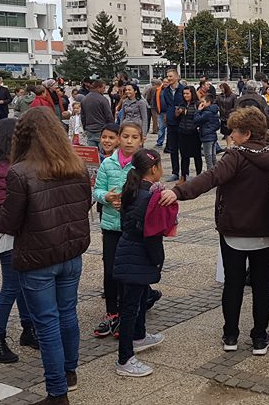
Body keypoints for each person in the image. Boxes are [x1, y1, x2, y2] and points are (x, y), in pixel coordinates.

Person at [161, 107, 269, 354]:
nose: (230, 135)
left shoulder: (235, 156)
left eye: (234, 131)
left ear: (246, 134)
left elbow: (210, 178)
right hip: (266, 232)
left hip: (234, 231)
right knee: (262, 285)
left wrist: (178, 192)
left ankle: (230, 336)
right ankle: (259, 337)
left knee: (233, 285)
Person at [0, 107, 92, 404]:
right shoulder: (76, 164)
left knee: (47, 323)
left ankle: (57, 392)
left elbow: (8, 223)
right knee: (67, 314)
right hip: (70, 253)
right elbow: (85, 205)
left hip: (37, 258)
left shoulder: (20, 171)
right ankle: (70, 372)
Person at [0, 119, 38, 364]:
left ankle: (28, 329)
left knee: (22, 283)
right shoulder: (3, 169)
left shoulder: (7, 164)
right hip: (9, 232)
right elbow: (5, 207)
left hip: (16, 230)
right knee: (11, 287)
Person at [114, 149, 166, 377]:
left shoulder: (134, 190)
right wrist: (158, 260)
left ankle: (140, 335)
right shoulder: (147, 197)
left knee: (141, 296)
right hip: (137, 254)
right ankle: (124, 359)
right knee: (130, 308)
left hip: (130, 249)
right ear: (153, 170)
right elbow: (150, 234)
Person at [92, 122, 145, 339]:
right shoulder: (108, 163)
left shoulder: (142, 164)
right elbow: (97, 190)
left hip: (133, 228)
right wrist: (107, 197)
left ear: (141, 140)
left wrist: (128, 203)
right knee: (111, 270)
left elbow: (149, 190)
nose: (129, 141)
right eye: (125, 137)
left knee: (129, 272)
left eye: (134, 137)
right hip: (111, 226)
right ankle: (112, 312)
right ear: (119, 138)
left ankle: (127, 312)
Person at [161, 70, 186, 181]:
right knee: (173, 149)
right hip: (171, 123)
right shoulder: (165, 91)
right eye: (167, 76)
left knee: (184, 149)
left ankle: (184, 173)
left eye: (171, 76)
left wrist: (182, 110)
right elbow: (165, 106)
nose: (169, 78)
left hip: (182, 122)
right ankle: (175, 172)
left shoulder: (183, 90)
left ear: (177, 77)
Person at [175, 86, 203, 184]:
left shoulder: (197, 104)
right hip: (183, 132)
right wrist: (178, 113)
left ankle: (199, 176)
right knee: (184, 156)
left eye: (187, 93)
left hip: (194, 133)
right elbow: (176, 118)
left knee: (197, 156)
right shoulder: (181, 104)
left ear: (192, 94)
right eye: (184, 94)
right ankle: (183, 176)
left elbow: (200, 117)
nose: (185, 95)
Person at [81, 80, 114, 148]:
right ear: (98, 88)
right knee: (103, 151)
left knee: (93, 153)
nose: (104, 90)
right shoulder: (103, 99)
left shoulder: (84, 99)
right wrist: (111, 128)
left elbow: (83, 116)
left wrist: (85, 127)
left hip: (89, 129)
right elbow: (108, 115)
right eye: (103, 88)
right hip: (101, 129)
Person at [196, 94, 221, 171]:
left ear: (208, 102)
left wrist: (198, 111)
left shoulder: (207, 113)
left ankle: (210, 174)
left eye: (203, 102)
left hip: (207, 136)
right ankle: (217, 172)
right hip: (212, 135)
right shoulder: (214, 111)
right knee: (213, 156)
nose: (201, 103)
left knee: (208, 157)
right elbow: (217, 124)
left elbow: (196, 120)